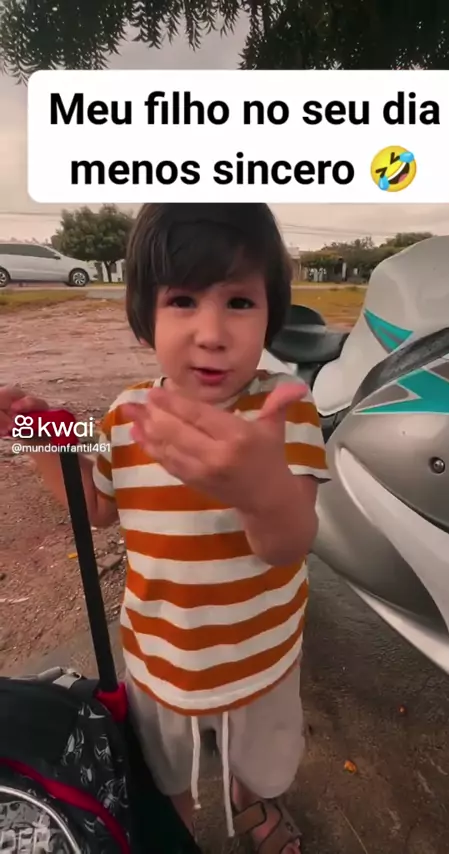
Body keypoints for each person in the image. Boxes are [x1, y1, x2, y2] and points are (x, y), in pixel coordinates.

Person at [0, 203, 330, 853]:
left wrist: (261, 491)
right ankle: (174, 827)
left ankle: (252, 798)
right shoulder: (128, 414)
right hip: (158, 656)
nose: (212, 333)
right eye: (183, 300)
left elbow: (290, 544)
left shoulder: (283, 412)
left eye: (239, 302)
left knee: (262, 762)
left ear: (272, 313)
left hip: (260, 653)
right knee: (163, 776)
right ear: (144, 315)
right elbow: (96, 507)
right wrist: (38, 438)